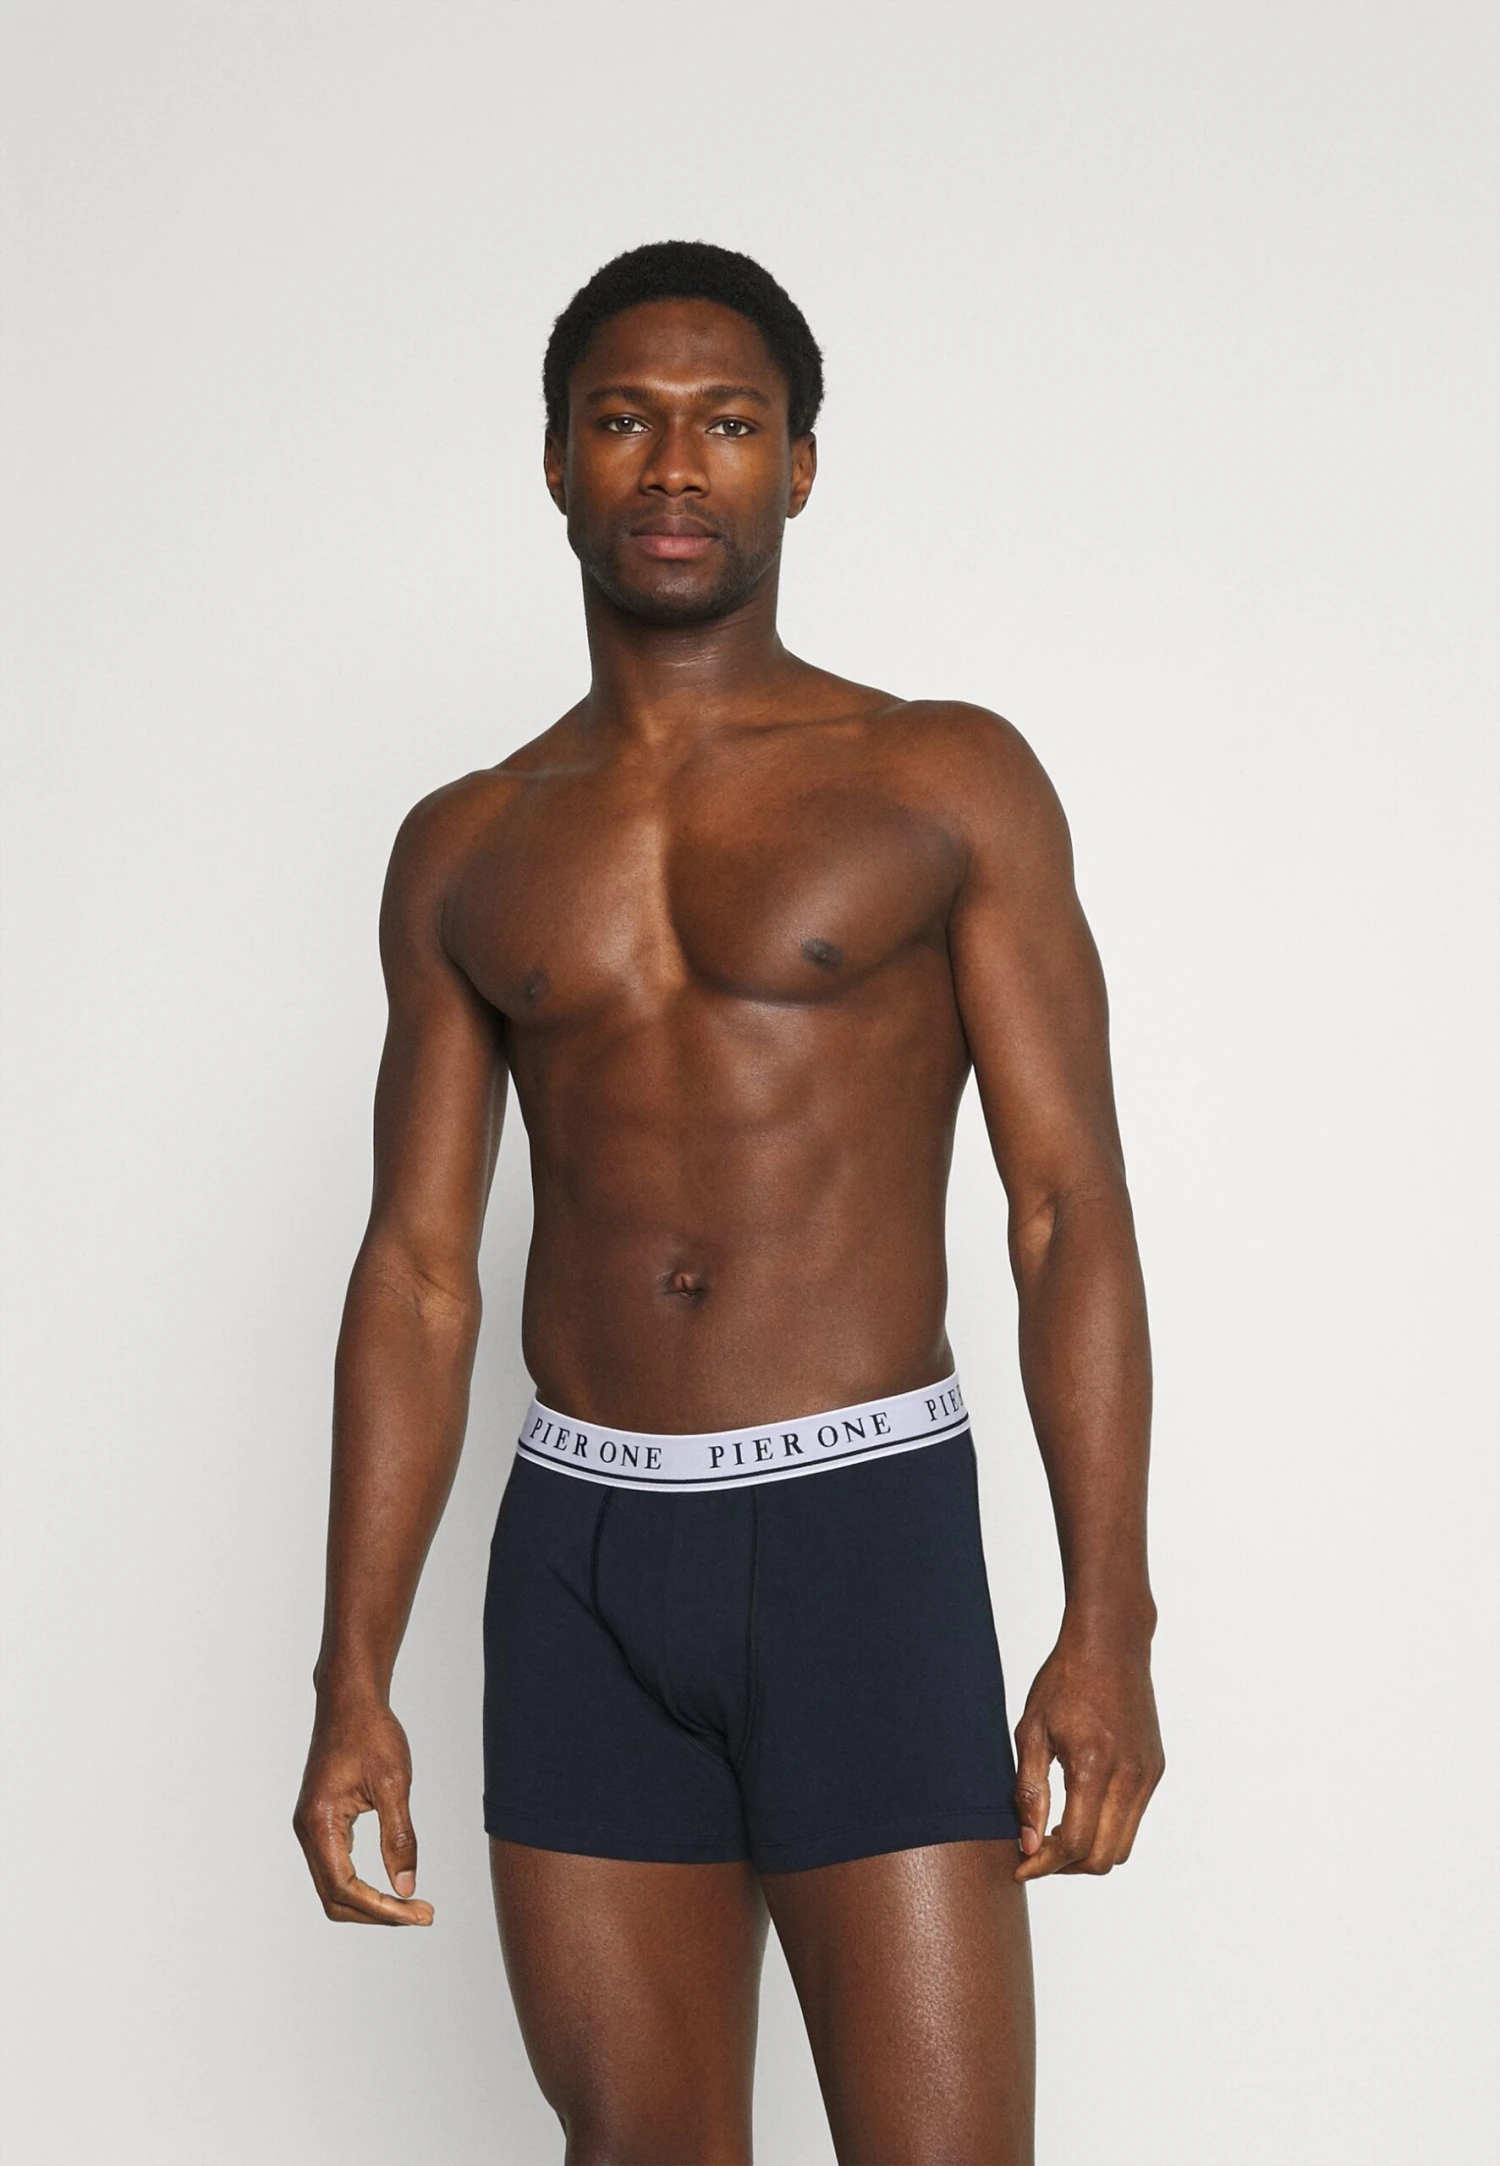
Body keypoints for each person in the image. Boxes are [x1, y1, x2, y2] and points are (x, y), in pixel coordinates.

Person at [294, 239, 1164, 2165]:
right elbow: (418, 1273)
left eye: (729, 424)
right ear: (556, 462)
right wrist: (353, 1671)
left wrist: (1111, 1613)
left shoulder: (942, 776)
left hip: (864, 1533)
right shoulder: (467, 842)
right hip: (584, 1556)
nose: (676, 465)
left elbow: (1065, 1207)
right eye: (626, 420)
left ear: (801, 465)